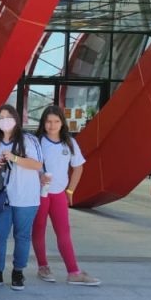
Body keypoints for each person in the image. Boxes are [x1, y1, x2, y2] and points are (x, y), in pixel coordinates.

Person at [34, 105, 100, 286]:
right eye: (48, 121)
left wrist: (70, 190)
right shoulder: (36, 141)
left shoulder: (69, 142)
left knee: (64, 232)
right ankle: (43, 266)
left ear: (62, 123)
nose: (52, 125)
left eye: (56, 121)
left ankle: (73, 271)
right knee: (38, 230)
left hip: (59, 195)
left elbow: (78, 167)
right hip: (39, 194)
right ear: (43, 123)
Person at [0, 104, 44, 291]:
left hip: (26, 197)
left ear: (16, 119)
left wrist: (15, 158)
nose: (4, 120)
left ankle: (18, 271)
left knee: (22, 236)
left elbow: (37, 164)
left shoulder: (28, 139)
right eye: (1, 117)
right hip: (4, 199)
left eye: (8, 116)